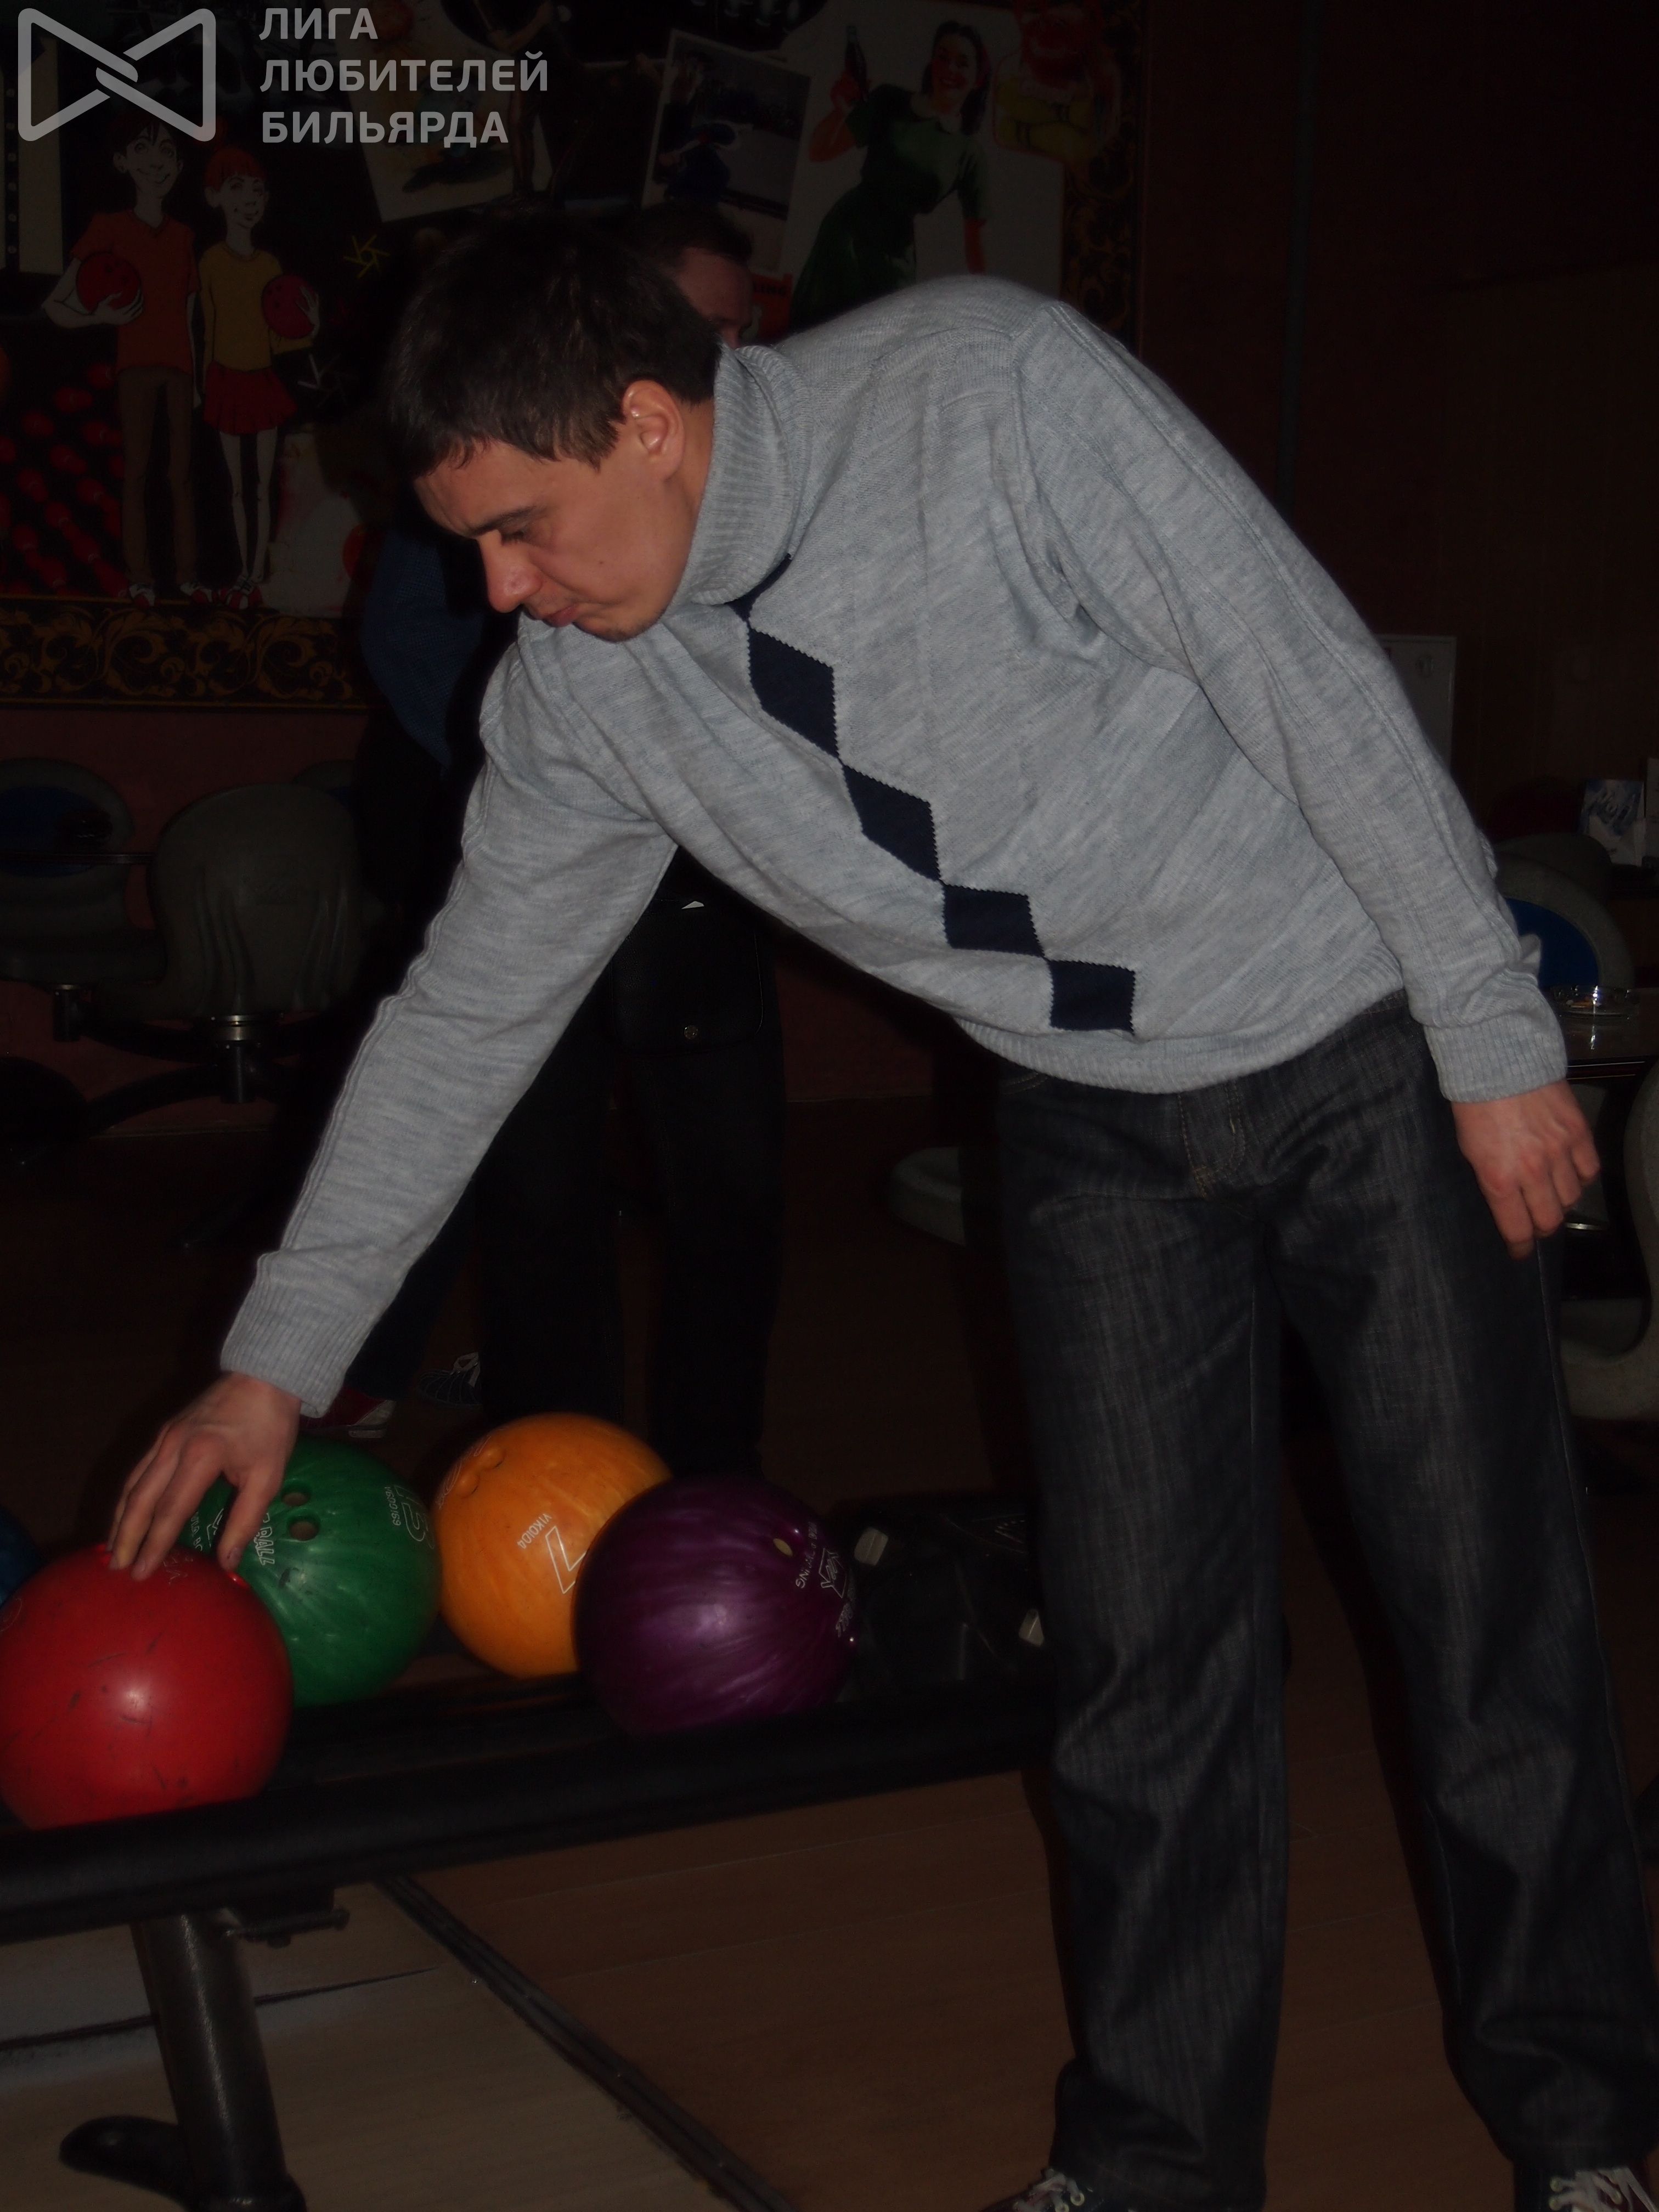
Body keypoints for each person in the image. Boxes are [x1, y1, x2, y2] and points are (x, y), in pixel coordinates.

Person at [110, 215, 1659, 2212]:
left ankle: (1581, 2135)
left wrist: (1485, 1023)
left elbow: (1298, 668)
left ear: (646, 421)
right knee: (1140, 1663)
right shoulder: (589, 694)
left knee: (1481, 1623)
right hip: (1093, 1122)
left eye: (518, 529)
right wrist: (272, 1364)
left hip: (1360, 1045)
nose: (500, 588)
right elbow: (463, 1014)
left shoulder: (989, 394)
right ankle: (1154, 2162)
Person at [306, 200, 782, 1473]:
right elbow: (414, 647)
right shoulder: (510, 502)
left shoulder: (774, 508)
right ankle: (556, 1475)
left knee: (731, 1196)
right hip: (528, 856)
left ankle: (710, 1492)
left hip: (693, 896)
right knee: (540, 1192)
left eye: (740, 333)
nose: (727, 362)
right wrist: (539, 781)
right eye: (702, 328)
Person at [46, 115, 204, 607]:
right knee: (136, 473)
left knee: (181, 476)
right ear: (122, 162)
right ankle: (139, 580)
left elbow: (188, 314)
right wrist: (101, 316)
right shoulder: (109, 227)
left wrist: (197, 379)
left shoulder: (183, 235)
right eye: (143, 150)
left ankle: (187, 577)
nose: (156, 162)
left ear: (179, 167)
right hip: (135, 367)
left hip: (179, 370)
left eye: (167, 152)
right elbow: (56, 305)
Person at [792, 19, 991, 331]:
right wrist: (840, 109)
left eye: (963, 63)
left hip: (896, 255)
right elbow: (819, 151)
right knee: (815, 334)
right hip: (846, 234)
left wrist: (989, 309)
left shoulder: (969, 154)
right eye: (943, 58)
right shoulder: (890, 100)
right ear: (932, 63)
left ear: (977, 78)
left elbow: (975, 246)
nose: (951, 70)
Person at [199, 142, 319, 610]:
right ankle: (239, 571)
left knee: (261, 488)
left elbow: (279, 341)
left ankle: (255, 574)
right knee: (235, 488)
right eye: (237, 188)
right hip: (225, 382)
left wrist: (311, 328)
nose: (249, 199)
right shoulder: (211, 262)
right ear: (215, 198)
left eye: (256, 190)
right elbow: (208, 329)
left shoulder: (270, 266)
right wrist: (202, 386)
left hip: (261, 383)